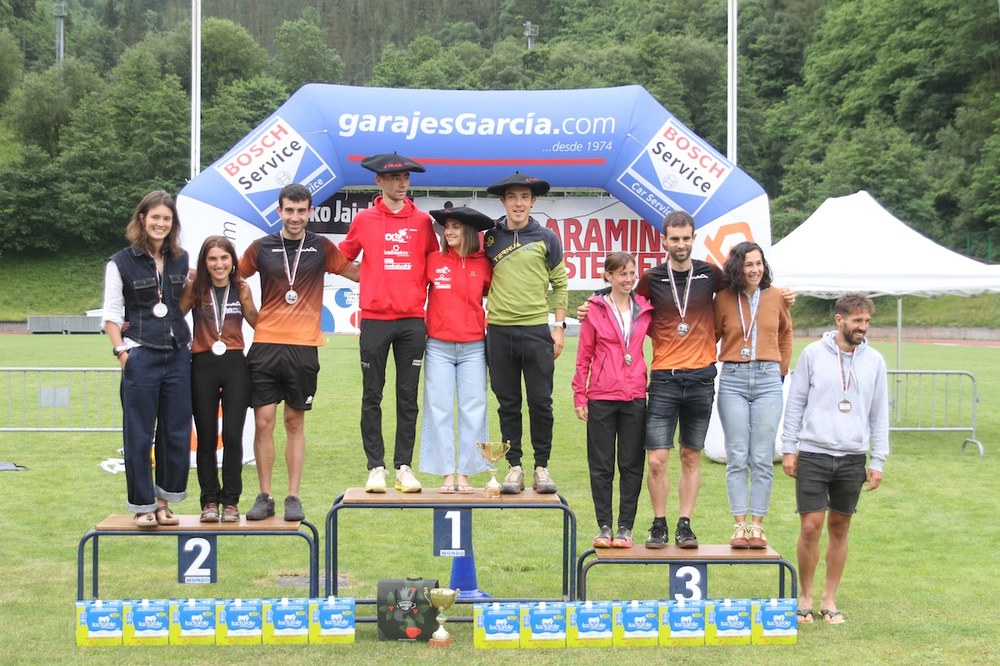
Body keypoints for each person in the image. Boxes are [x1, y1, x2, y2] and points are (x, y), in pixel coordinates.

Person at [239, 183, 359, 521]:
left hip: (304, 347)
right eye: (289, 210)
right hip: (265, 345)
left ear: (310, 212)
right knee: (263, 422)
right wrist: (250, 311)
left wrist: (398, 269)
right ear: (279, 211)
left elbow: (355, 272)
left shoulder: (321, 246)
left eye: (301, 210)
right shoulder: (260, 247)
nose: (295, 217)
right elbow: (230, 274)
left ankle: (293, 496)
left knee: (294, 421)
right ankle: (264, 496)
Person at [781, 292, 888, 625]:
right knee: (811, 527)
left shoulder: (875, 361)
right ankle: (806, 597)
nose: (863, 327)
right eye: (857, 321)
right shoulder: (813, 354)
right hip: (814, 452)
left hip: (853, 456)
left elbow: (880, 412)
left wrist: (878, 460)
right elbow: (796, 403)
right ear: (839, 320)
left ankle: (829, 600)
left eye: (867, 321)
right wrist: (789, 447)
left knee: (840, 528)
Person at [339, 153, 439, 494]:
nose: (402, 183)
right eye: (394, 178)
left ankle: (404, 467)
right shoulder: (364, 220)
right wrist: (365, 278)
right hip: (375, 320)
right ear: (378, 181)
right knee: (372, 395)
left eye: (406, 177)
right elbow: (342, 260)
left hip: (412, 320)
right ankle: (376, 467)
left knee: (408, 397)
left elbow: (434, 266)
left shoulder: (424, 222)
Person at [102, 189, 191, 528]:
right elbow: (112, 312)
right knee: (139, 434)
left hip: (177, 354)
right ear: (142, 219)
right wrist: (122, 351)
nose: (160, 223)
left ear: (173, 223)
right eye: (155, 217)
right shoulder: (121, 261)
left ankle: (164, 502)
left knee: (176, 432)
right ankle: (141, 507)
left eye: (166, 219)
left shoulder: (181, 259)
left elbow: (179, 305)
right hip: (140, 353)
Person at [633, 210, 720, 548]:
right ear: (664, 240)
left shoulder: (711, 274)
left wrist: (779, 292)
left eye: (686, 238)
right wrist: (590, 305)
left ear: (693, 238)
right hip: (665, 379)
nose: (680, 244)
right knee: (656, 459)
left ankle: (685, 523)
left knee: (691, 456)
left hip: (701, 379)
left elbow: (747, 286)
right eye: (674, 239)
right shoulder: (651, 278)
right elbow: (622, 296)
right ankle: (659, 524)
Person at [484, 172, 568, 495]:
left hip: (536, 331)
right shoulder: (489, 238)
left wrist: (558, 327)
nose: (518, 203)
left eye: (524, 197)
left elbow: (560, 284)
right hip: (499, 331)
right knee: (507, 403)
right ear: (503, 201)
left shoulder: (547, 238)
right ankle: (514, 467)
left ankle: (542, 467)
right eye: (512, 197)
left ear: (533, 201)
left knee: (540, 402)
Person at [572, 252, 653, 548]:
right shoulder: (594, 309)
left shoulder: (645, 308)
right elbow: (584, 356)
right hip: (602, 396)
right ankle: (604, 526)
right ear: (608, 276)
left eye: (632, 273)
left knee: (631, 465)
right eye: (622, 274)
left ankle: (625, 529)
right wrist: (580, 393)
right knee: (602, 465)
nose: (629, 279)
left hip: (634, 397)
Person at [715, 241, 792, 549]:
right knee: (737, 456)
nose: (755, 269)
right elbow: (710, 336)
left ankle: (758, 526)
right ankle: (739, 525)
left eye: (759, 263)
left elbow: (786, 333)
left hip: (768, 380)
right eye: (748, 264)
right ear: (737, 267)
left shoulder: (777, 297)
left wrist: (781, 370)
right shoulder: (722, 299)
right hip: (733, 378)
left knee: (761, 456)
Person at [180, 236, 258, 523]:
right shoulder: (196, 288)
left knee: (233, 437)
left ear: (232, 261)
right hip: (202, 365)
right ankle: (209, 501)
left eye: (224, 258)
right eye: (212, 259)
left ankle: (231, 502)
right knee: (207, 438)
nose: (219, 264)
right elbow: (176, 318)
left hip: (236, 363)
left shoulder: (241, 288)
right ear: (205, 262)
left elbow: (256, 321)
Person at [419, 206, 494, 493]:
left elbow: (494, 295)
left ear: (470, 232)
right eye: (446, 226)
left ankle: (465, 472)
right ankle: (446, 474)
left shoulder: (485, 264)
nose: (448, 231)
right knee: (438, 409)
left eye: (455, 227)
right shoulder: (433, 260)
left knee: (473, 409)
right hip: (438, 346)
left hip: (474, 346)